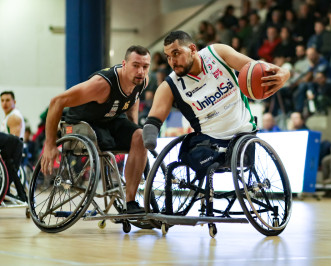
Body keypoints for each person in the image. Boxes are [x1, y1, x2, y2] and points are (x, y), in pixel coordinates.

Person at [142, 30, 289, 172]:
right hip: (210, 144)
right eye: (168, 57)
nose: (172, 62)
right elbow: (153, 121)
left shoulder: (217, 53)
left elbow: (258, 69)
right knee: (188, 154)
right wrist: (149, 138)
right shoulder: (169, 86)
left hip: (242, 135)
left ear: (192, 49)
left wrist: (284, 73)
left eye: (176, 53)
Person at [41, 45, 151, 214]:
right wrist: (50, 145)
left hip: (111, 119)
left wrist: (133, 128)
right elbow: (56, 102)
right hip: (83, 121)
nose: (141, 71)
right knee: (105, 142)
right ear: (124, 64)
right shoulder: (102, 85)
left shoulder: (142, 80)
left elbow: (133, 98)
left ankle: (130, 203)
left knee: (140, 137)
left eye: (145, 66)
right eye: (136, 65)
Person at [0, 91, 25, 202]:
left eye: (8, 100)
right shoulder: (8, 117)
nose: (5, 103)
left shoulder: (13, 117)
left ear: (14, 102)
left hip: (14, 151)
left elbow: (13, 142)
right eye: (2, 100)